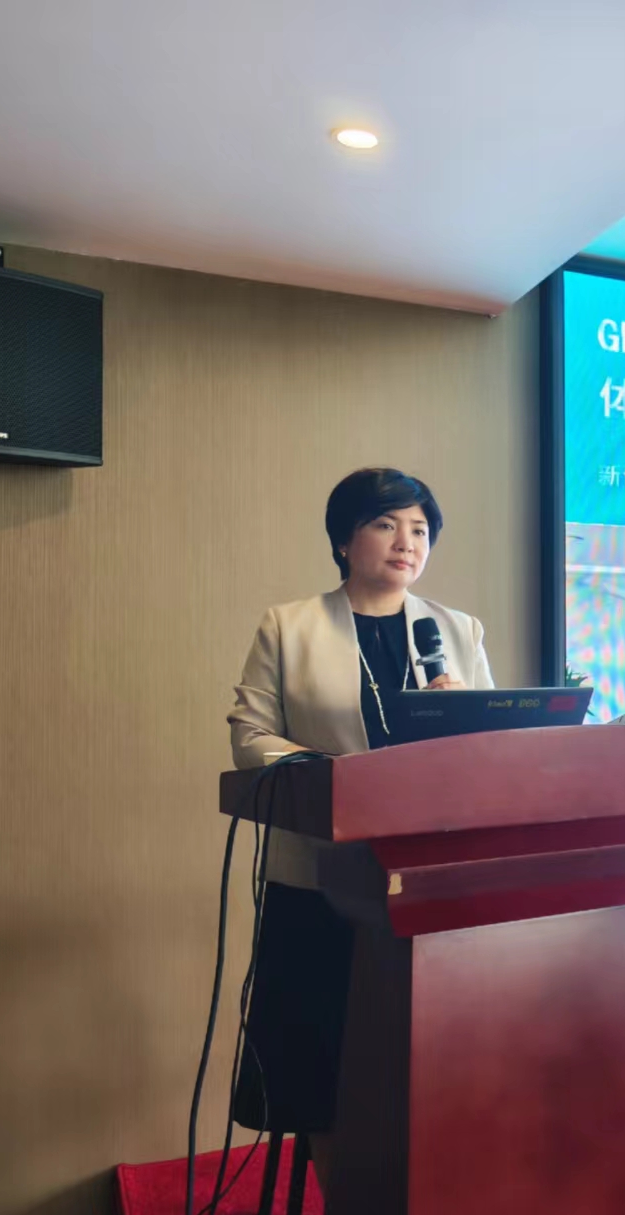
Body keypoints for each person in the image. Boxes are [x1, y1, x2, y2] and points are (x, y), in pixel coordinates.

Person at [225, 466, 494, 1177]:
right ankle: (346, 1197)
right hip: (321, 872)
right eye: (386, 524)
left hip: (428, 875)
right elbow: (250, 737)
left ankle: (423, 1185)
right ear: (344, 539)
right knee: (321, 1052)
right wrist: (339, 775)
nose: (408, 542)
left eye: (421, 530)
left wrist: (463, 717)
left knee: (427, 1050)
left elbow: (493, 752)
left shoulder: (457, 632)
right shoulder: (289, 627)